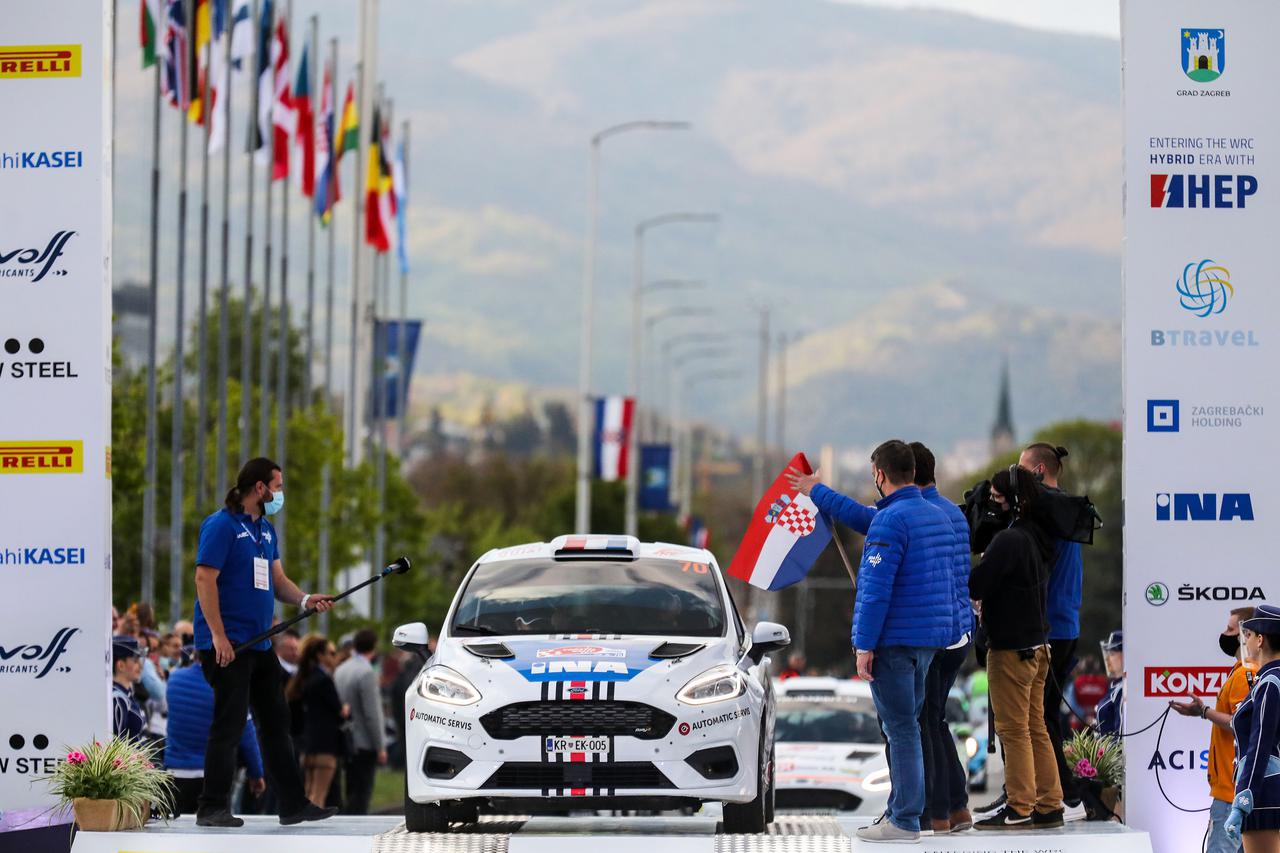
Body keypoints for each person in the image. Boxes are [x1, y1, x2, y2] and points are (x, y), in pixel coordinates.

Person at [791, 439, 954, 843]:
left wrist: (863, 646)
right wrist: (818, 491)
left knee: (899, 729)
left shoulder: (890, 522)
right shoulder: (932, 515)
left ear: (879, 475)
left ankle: (903, 819)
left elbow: (874, 591)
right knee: (910, 726)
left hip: (894, 643)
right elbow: (862, 516)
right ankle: (904, 813)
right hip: (928, 641)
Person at [192, 456, 337, 828]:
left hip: (259, 646)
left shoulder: (266, 531)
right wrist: (219, 636)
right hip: (228, 647)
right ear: (260, 488)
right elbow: (204, 579)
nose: (280, 493)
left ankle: (292, 804)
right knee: (230, 723)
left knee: (276, 721)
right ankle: (211, 807)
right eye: (279, 485)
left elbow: (278, 581)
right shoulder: (221, 525)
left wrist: (306, 599)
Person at [969, 466, 1064, 831]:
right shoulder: (1038, 536)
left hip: (1010, 650)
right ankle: (1049, 802)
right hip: (1039, 646)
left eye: (995, 498)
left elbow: (977, 584)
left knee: (1013, 730)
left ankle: (1020, 804)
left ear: (1013, 500)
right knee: (1036, 726)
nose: (992, 505)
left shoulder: (1008, 541)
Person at [1019, 443, 1087, 819]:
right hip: (1063, 624)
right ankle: (1038, 793)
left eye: (1022, 471)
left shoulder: (1051, 511)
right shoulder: (1062, 510)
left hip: (1052, 627)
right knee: (1042, 715)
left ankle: (1066, 796)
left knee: (1040, 716)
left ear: (1040, 470)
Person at [1171, 608, 1258, 853]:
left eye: (1230, 629)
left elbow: (1240, 723)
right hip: (1233, 789)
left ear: (1246, 633)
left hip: (1232, 792)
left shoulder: (1246, 674)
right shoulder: (1240, 670)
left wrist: (1204, 711)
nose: (1224, 634)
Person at [165, 651, 266, 816]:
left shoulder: (175, 679)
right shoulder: (230, 685)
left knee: (179, 833)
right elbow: (246, 734)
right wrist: (256, 773)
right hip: (214, 776)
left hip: (176, 772)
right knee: (214, 831)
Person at [1226, 605, 1280, 851]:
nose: (1244, 641)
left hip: (1264, 792)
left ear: (1260, 639)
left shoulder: (1270, 682)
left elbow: (1260, 744)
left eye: (1248, 635)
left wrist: (1244, 797)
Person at [288, 635, 347, 808]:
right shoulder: (324, 680)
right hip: (326, 744)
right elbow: (338, 711)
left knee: (309, 792)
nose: (334, 657)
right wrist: (345, 710)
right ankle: (310, 833)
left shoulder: (302, 680)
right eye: (331, 653)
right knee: (319, 795)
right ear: (320, 655)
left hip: (307, 744)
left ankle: (302, 830)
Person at [335, 628, 388, 815]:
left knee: (350, 787)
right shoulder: (366, 672)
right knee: (362, 792)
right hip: (364, 740)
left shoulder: (341, 669)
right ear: (373, 647)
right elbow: (372, 713)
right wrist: (380, 745)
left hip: (346, 737)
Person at [111, 635, 147, 742]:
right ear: (121, 665)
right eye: (135, 660)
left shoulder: (126, 693)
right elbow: (117, 748)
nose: (140, 666)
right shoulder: (117, 699)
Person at [1094, 631, 1124, 735]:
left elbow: (1120, 736)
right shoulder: (1115, 685)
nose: (1106, 659)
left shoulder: (1123, 689)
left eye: (1112, 654)